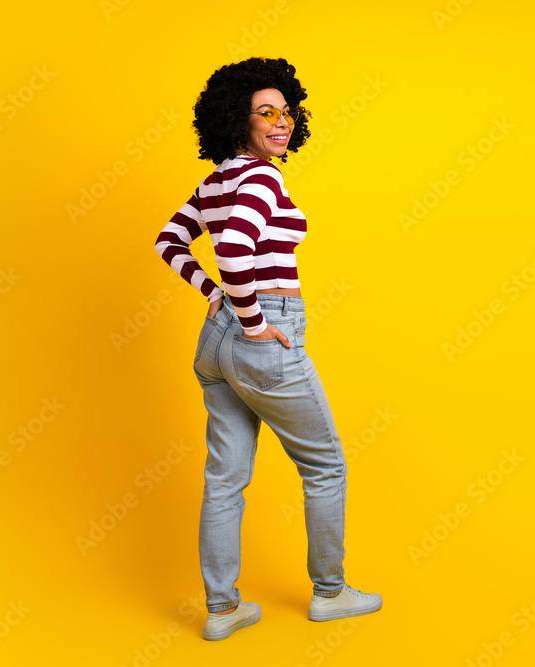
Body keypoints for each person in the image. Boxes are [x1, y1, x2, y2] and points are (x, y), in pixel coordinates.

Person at [153, 56, 381, 641]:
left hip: (214, 345)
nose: (280, 123)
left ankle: (223, 609)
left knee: (225, 479)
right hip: (263, 337)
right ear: (240, 121)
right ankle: (331, 594)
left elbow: (169, 241)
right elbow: (232, 252)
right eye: (265, 113)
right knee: (325, 465)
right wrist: (252, 320)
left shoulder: (216, 180)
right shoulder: (261, 178)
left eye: (286, 112)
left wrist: (213, 295)